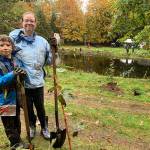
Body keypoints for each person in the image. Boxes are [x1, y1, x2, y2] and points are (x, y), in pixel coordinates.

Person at [9, 11, 52, 140]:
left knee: (40, 107)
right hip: (23, 83)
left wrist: (55, 48)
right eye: (26, 20)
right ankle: (32, 126)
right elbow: (6, 46)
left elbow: (50, 61)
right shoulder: (15, 39)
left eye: (31, 21)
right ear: (21, 23)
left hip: (38, 82)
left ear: (35, 23)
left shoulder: (43, 41)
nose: (29, 23)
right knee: (28, 109)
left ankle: (44, 127)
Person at [0, 35, 29, 150]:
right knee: (9, 125)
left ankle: (18, 141)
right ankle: (15, 144)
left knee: (17, 121)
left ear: (12, 47)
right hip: (4, 100)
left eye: (8, 45)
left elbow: (20, 78)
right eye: (1, 46)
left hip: (16, 98)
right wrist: (13, 74)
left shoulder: (15, 61)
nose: (5, 48)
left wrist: (22, 75)